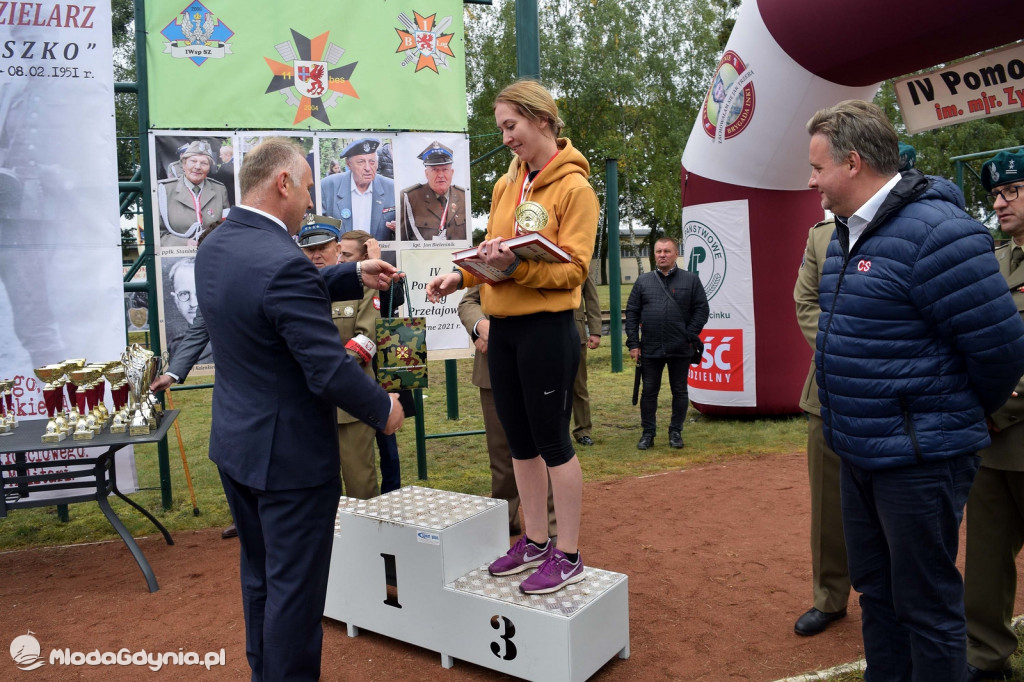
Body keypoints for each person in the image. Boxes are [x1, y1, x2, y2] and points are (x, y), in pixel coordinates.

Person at [807, 100, 1024, 680]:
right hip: (859, 452)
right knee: (877, 593)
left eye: (818, 167)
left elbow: (1000, 352)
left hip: (920, 459)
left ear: (853, 163)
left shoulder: (938, 232)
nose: (811, 180)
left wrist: (943, 418)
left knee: (926, 605)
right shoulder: (845, 236)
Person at [193, 137, 403, 680]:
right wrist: (382, 409)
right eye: (308, 187)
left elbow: (268, 293)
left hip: (237, 446)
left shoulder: (219, 244)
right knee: (296, 593)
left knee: (261, 577)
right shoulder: (282, 261)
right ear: (282, 183)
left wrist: (350, 273)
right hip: (290, 461)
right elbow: (327, 369)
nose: (311, 201)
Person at [426, 79, 598, 595]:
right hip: (502, 331)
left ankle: (569, 554)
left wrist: (517, 268)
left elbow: (575, 270)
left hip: (547, 330)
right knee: (520, 444)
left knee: (554, 443)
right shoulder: (508, 183)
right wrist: (461, 275)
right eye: (501, 128)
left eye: (510, 126)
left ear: (541, 119)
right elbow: (493, 252)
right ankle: (535, 541)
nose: (505, 138)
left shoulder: (576, 188)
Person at [965, 148, 1024, 682]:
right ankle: (985, 656)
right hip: (989, 441)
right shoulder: (996, 261)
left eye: (1012, 191)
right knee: (985, 556)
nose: (999, 203)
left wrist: (995, 407)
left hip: (1005, 421)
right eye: (995, 195)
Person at [459, 284, 558, 537]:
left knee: (548, 447)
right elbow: (468, 302)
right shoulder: (489, 262)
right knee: (501, 453)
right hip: (493, 368)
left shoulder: (545, 262)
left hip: (540, 362)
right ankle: (504, 521)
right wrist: (481, 328)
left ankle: (551, 524)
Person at [792, 217, 850, 636]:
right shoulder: (821, 236)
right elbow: (806, 301)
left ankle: (899, 601)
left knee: (896, 504)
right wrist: (844, 350)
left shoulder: (913, 224)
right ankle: (829, 597)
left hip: (895, 389)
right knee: (828, 505)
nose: (814, 185)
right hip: (828, 387)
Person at [296, 220, 383, 499]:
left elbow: (366, 339)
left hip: (349, 399)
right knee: (311, 485)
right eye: (309, 250)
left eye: (322, 248)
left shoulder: (362, 284)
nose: (316, 255)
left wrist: (323, 369)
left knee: (360, 483)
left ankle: (365, 530)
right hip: (303, 403)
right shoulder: (292, 289)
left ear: (337, 249)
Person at [625, 237, 709, 450]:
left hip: (680, 347)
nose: (662, 255)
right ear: (654, 254)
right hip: (650, 348)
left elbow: (701, 309)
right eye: (659, 251)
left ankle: (675, 432)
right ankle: (648, 433)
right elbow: (632, 313)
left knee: (679, 391)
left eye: (667, 251)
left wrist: (689, 334)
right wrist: (634, 344)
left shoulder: (691, 280)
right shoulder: (643, 281)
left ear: (676, 254)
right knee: (649, 392)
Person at [321, 137, 397, 241]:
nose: (368, 168)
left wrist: (398, 229)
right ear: (349, 164)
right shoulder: (328, 186)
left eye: (372, 162)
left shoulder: (392, 188)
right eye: (361, 162)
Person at [157, 140, 230, 247]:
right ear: (183, 164)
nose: (197, 167)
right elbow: (157, 233)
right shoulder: (165, 190)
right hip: (176, 255)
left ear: (209, 168)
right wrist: (185, 243)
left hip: (212, 250)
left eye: (204, 163)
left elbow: (227, 227)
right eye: (193, 161)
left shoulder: (220, 190)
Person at [400, 140, 468, 241]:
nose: (441, 175)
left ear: (452, 172)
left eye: (445, 169)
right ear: (426, 173)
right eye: (435, 170)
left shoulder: (464, 197)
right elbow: (403, 240)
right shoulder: (410, 198)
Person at [164, 257, 212, 365]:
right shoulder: (173, 347)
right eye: (184, 294)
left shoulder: (231, 342)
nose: (193, 303)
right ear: (175, 299)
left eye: (200, 292)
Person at [572, 276, 601, 446]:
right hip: (545, 333)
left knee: (579, 386)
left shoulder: (581, 264)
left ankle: (582, 430)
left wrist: (595, 331)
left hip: (575, 333)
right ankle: (553, 432)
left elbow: (591, 299)